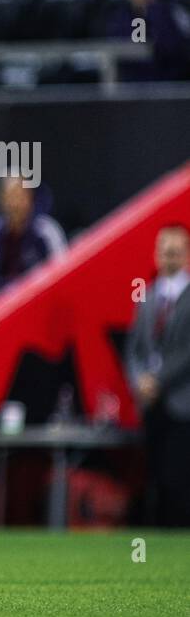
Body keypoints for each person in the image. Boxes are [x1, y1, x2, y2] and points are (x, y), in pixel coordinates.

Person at [126, 225, 190, 526]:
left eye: (175, 251)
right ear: (156, 253)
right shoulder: (147, 297)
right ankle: (154, 541)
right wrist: (140, 381)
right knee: (153, 477)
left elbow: (186, 351)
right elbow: (134, 349)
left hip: (183, 402)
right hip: (151, 404)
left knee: (178, 476)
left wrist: (158, 380)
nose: (169, 256)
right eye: (165, 250)